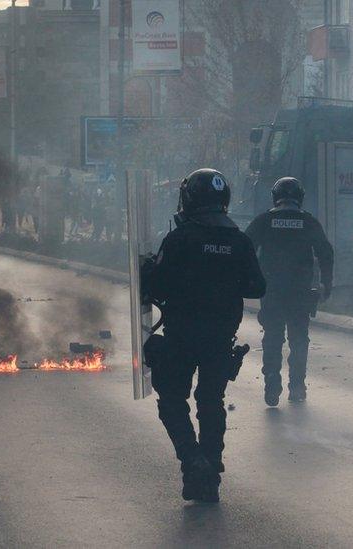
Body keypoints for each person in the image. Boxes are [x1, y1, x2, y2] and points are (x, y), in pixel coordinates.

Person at [142, 168, 266, 503]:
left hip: (182, 335)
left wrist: (149, 271)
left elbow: (155, 287)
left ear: (190, 199)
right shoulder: (239, 241)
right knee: (211, 404)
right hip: (219, 338)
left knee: (171, 401)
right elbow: (257, 286)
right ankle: (210, 468)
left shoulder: (180, 239)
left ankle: (192, 460)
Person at [245, 177, 333, 405]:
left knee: (273, 338)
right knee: (299, 339)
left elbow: (245, 249)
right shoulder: (308, 222)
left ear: (275, 196)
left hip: (271, 292)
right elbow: (326, 253)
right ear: (300, 198)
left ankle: (272, 385)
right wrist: (327, 284)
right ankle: (297, 386)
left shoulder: (265, 220)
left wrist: (248, 281)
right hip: (300, 293)